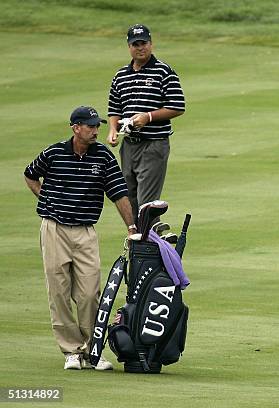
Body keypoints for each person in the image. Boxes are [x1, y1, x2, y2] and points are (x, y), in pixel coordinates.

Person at [24, 106, 137, 370]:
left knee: (89, 293)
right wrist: (47, 200)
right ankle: (71, 351)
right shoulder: (53, 153)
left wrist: (132, 228)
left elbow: (119, 194)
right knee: (59, 292)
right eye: (90, 126)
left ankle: (93, 351)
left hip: (86, 231)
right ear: (76, 128)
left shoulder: (104, 158)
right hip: (54, 230)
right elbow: (30, 175)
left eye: (97, 125)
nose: (96, 130)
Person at [106, 24, 186, 223]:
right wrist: (112, 130)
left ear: (151, 44)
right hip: (128, 146)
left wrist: (147, 117)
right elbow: (114, 108)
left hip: (154, 144)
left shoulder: (164, 71)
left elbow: (177, 106)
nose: (140, 48)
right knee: (128, 199)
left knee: (146, 203)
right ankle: (139, 245)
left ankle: (150, 247)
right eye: (135, 44)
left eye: (144, 43)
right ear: (129, 46)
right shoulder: (121, 75)